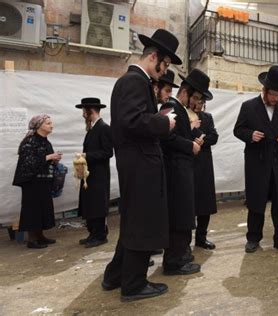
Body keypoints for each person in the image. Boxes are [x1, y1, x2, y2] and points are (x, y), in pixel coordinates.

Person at [102, 29, 179, 302]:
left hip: (137, 164)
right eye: (165, 65)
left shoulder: (135, 81)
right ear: (154, 56)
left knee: (133, 221)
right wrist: (164, 123)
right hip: (139, 165)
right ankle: (133, 285)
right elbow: (131, 122)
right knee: (141, 223)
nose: (164, 71)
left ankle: (114, 276)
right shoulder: (134, 81)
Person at [234, 65, 278, 254]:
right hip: (258, 162)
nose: (276, 99)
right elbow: (238, 130)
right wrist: (250, 134)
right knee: (256, 201)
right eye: (273, 95)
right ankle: (253, 238)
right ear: (264, 90)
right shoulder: (249, 107)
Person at [160, 69, 212, 275]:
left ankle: (182, 253)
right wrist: (190, 146)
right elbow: (164, 136)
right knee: (178, 216)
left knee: (184, 214)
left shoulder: (180, 109)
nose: (196, 103)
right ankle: (174, 261)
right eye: (196, 97)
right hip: (174, 172)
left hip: (183, 170)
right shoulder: (170, 107)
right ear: (185, 92)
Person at [13, 115, 62, 249]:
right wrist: (49, 157)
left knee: (43, 208)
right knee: (32, 209)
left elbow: (45, 160)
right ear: (39, 126)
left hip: (43, 181)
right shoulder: (29, 141)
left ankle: (40, 236)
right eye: (48, 123)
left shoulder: (46, 142)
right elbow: (28, 162)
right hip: (31, 182)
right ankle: (32, 239)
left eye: (51, 123)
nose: (51, 125)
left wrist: (54, 159)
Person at [75, 98, 113, 248]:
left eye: (84, 111)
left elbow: (108, 152)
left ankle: (100, 235)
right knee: (90, 204)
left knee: (98, 205)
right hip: (90, 175)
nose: (83, 115)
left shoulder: (104, 128)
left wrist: (87, 156)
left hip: (99, 175)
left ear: (90, 111)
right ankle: (93, 233)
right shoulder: (92, 129)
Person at [190, 97, 219, 249]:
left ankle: (201, 238)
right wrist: (196, 133)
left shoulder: (207, 117)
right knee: (189, 204)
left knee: (205, 203)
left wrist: (202, 139)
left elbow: (214, 137)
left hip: (204, 164)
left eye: (202, 103)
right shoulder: (184, 115)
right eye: (197, 102)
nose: (199, 105)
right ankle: (185, 241)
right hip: (189, 163)